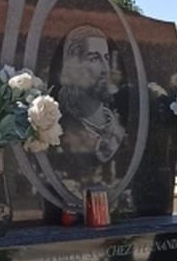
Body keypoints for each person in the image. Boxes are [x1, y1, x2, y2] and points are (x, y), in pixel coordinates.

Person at [53, 24, 126, 194]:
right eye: (94, 58)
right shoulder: (62, 123)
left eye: (106, 58)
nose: (105, 69)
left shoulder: (116, 125)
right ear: (73, 64)